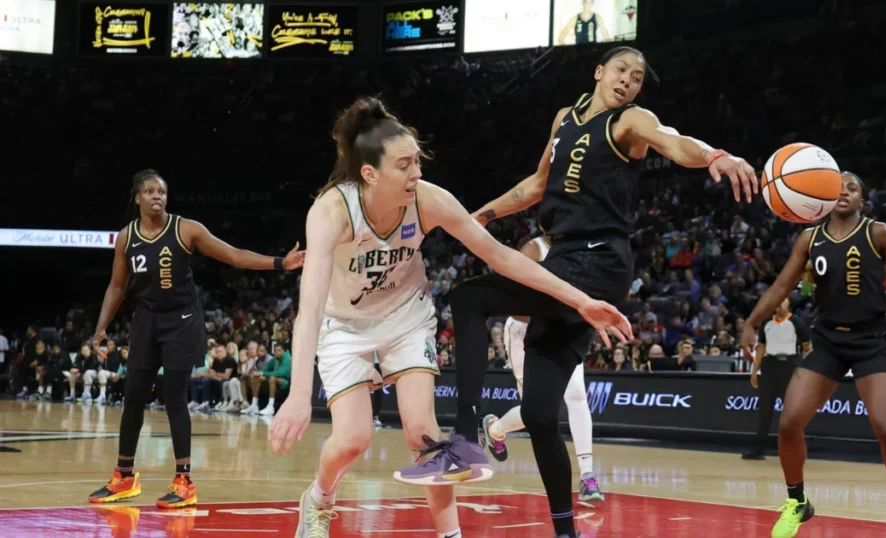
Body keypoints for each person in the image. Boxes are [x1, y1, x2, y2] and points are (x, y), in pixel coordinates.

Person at [399, 45, 758, 538]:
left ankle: (463, 435)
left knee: (469, 298)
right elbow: (536, 186)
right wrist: (479, 216)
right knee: (541, 415)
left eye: (636, 77)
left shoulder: (631, 121)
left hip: (600, 261)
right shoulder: (565, 119)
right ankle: (566, 532)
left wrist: (716, 155)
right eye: (621, 71)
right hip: (563, 257)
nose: (628, 81)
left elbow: (674, 143)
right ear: (598, 72)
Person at [266, 96, 632, 538]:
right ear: (370, 173)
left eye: (418, 161)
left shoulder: (428, 199)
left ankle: (450, 535)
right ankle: (320, 497)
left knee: (424, 434)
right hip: (343, 326)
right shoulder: (330, 212)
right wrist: (299, 394)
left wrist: (580, 301)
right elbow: (309, 307)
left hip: (406, 317)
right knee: (353, 440)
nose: (416, 172)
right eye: (404, 165)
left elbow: (502, 257)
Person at [740, 172, 886, 538]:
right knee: (788, 422)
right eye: (839, 187)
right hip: (828, 341)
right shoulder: (809, 238)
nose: (845, 192)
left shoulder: (878, 233)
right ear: (824, 195)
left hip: (872, 341)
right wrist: (752, 322)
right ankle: (797, 502)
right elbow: (783, 283)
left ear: (862, 200)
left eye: (853, 188)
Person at [87, 169, 305, 508]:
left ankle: (184, 482)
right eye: (149, 191)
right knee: (132, 398)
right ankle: (124, 477)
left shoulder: (186, 229)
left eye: (161, 191)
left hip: (182, 320)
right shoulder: (126, 237)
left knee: (174, 400)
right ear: (137, 198)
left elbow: (232, 255)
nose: (157, 196)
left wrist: (281, 262)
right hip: (145, 319)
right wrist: (101, 328)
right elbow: (117, 286)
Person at [481, 231, 605, 502]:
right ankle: (495, 429)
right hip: (525, 331)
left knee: (576, 396)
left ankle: (587, 476)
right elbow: (515, 304)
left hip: (563, 330)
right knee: (536, 412)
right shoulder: (532, 250)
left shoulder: (581, 248)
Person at [742, 297, 809, 460]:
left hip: (789, 366)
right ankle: (758, 450)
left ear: (789, 304)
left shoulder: (797, 323)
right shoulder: (766, 324)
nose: (779, 305)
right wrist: (754, 371)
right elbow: (761, 348)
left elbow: (807, 347)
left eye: (782, 302)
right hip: (769, 367)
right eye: (777, 302)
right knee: (764, 411)